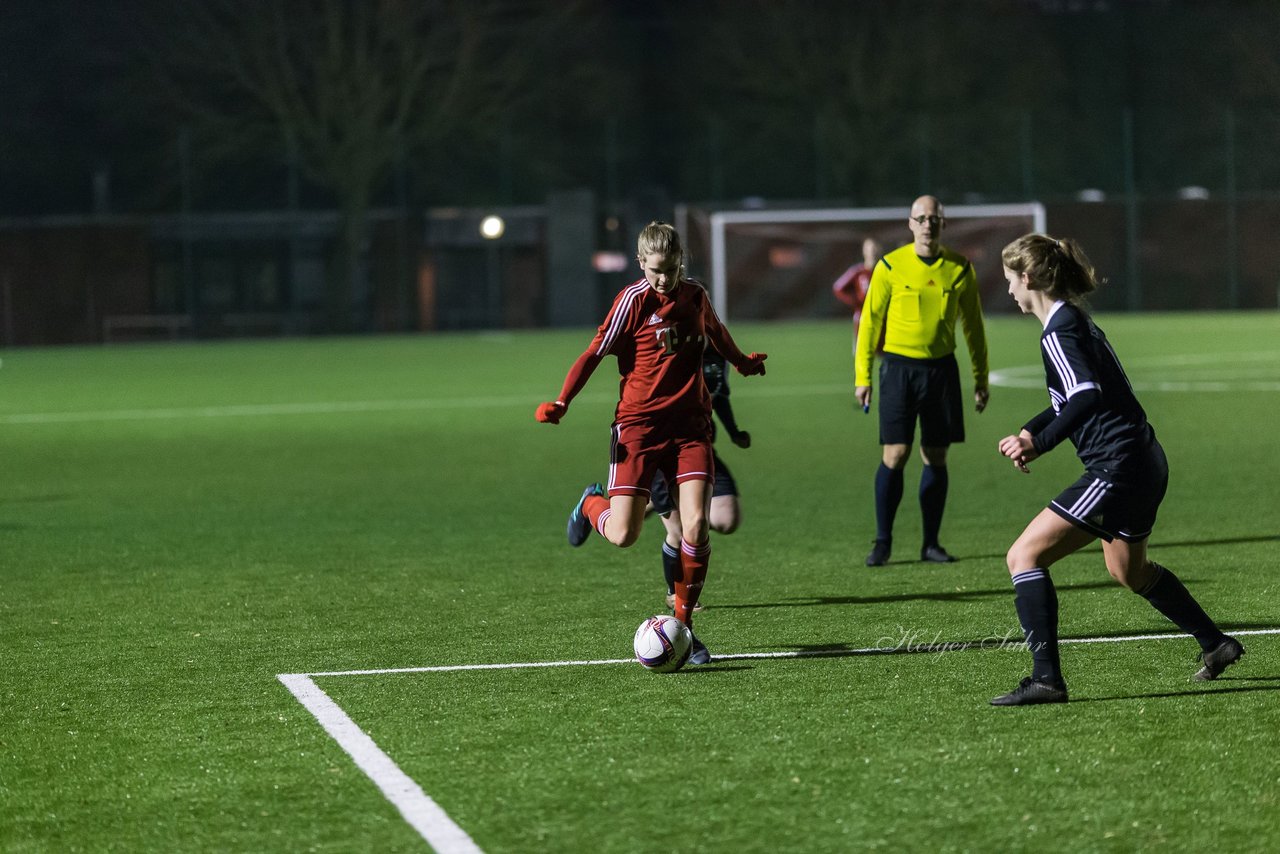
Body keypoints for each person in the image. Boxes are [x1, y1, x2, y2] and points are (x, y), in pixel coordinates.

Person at [991, 233, 1244, 706]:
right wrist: (1030, 431)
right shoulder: (1074, 320)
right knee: (1129, 570)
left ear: (1028, 278)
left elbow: (1086, 396)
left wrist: (1040, 444)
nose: (1008, 291)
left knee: (1023, 557)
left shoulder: (1059, 330)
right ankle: (1216, 644)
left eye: (1010, 280)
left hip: (1118, 465)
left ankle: (1046, 679)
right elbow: (1074, 397)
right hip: (1144, 460)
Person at [536, 221, 767, 665]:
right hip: (638, 429)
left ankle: (684, 629)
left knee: (695, 527)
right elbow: (593, 354)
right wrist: (563, 401)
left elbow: (715, 331)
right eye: (657, 270)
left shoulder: (695, 295)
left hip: (690, 429)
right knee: (624, 534)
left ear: (683, 261)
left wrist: (740, 362)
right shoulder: (632, 301)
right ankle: (590, 504)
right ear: (642, 263)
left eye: (673, 268)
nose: (666, 278)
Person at [854, 196, 989, 567]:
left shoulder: (960, 269)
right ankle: (883, 543)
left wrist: (981, 377)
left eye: (935, 218)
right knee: (895, 454)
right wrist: (862, 376)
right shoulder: (889, 266)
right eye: (921, 218)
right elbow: (869, 323)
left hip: (942, 372)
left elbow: (974, 328)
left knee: (937, 455)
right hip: (898, 370)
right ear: (910, 223)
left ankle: (931, 543)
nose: (928, 224)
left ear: (943, 224)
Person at [649, 348, 752, 612]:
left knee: (726, 520)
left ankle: (649, 504)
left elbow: (719, 396)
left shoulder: (717, 352)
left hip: (700, 449)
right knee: (681, 530)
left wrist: (734, 432)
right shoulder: (666, 346)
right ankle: (676, 594)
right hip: (663, 451)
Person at [833, 236, 883, 355]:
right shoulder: (858, 271)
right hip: (863, 318)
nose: (872, 251)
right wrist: (855, 302)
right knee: (862, 354)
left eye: (874, 248)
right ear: (863, 250)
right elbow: (838, 288)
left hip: (884, 318)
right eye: (869, 248)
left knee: (887, 354)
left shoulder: (885, 270)